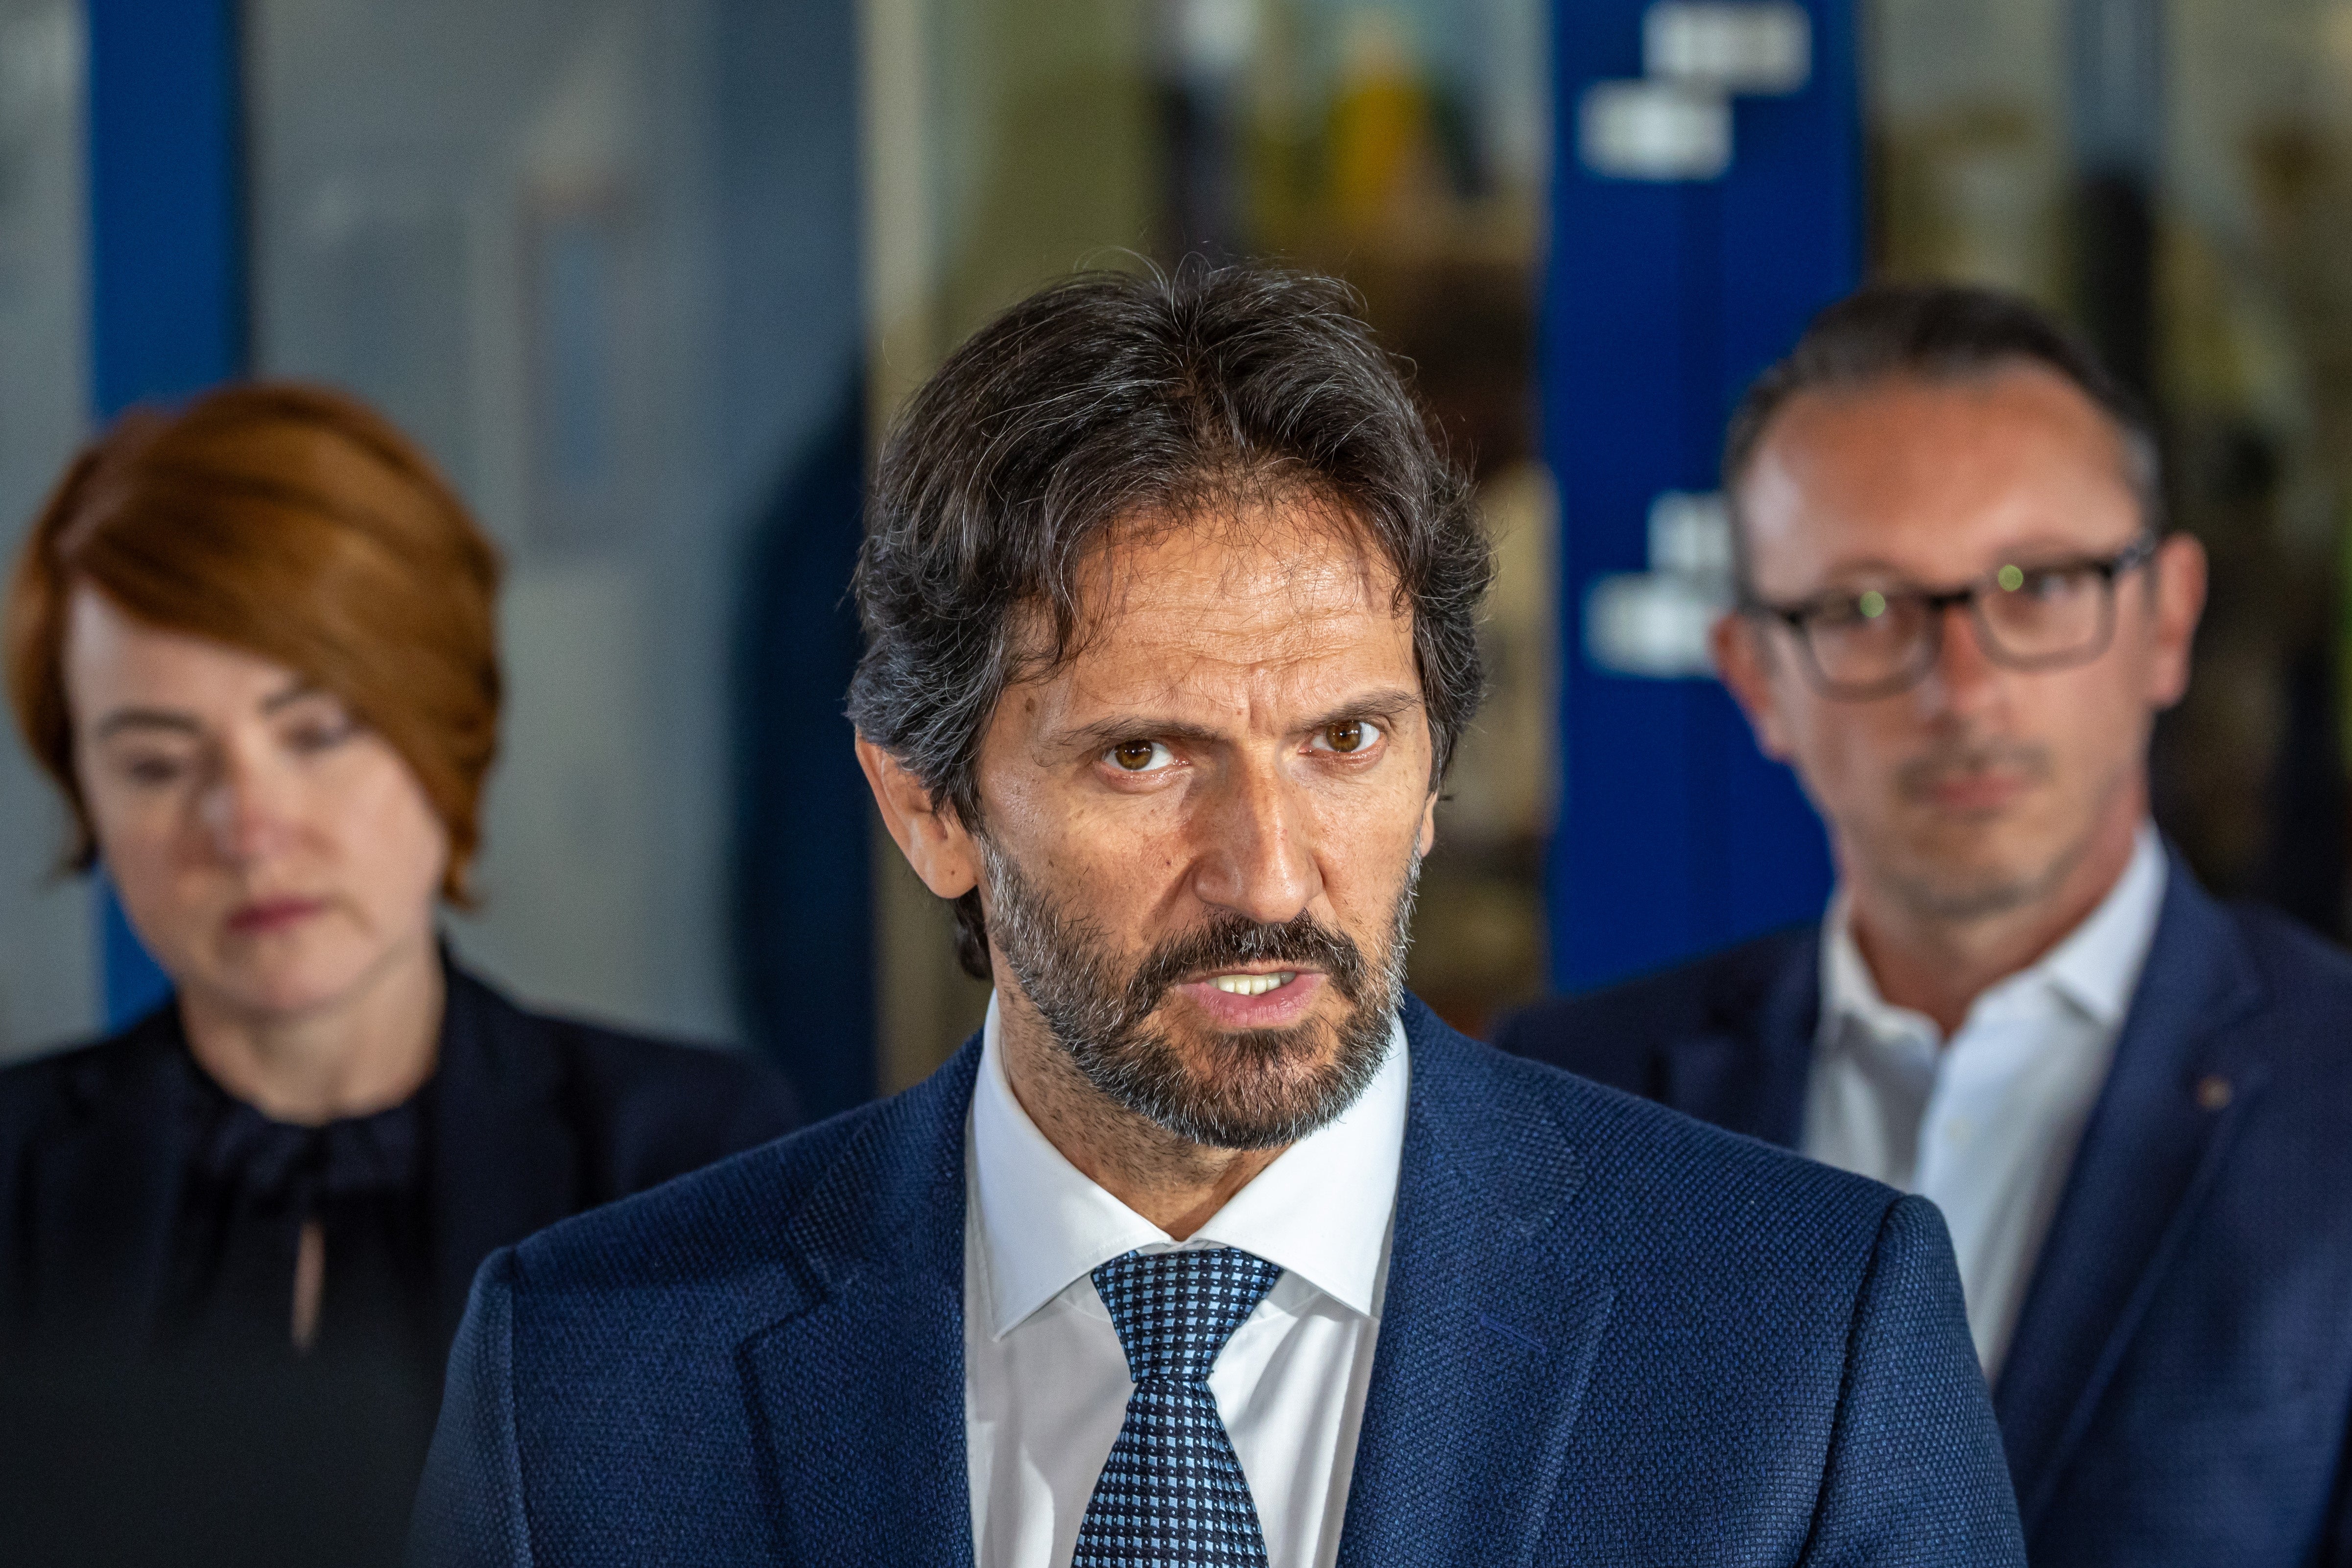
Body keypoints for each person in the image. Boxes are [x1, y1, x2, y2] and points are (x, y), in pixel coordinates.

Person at [409, 264, 2023, 1567]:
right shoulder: (592, 1381)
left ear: (1437, 767)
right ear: (928, 807)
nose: (1265, 873)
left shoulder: (1798, 1340)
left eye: (1344, 742)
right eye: (1142, 753)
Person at [1497, 282, 2352, 1566]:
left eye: (2037, 585)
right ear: (1755, 678)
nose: (1964, 684)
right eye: (1862, 608)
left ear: (2165, 620)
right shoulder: (1562, 1103)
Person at [0, 383, 799, 1568]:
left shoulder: (693, 1158)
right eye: (159, 762)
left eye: (319, 733)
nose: (249, 827)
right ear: (87, 801)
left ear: (445, 728)